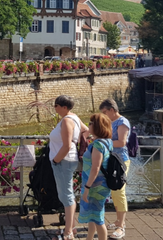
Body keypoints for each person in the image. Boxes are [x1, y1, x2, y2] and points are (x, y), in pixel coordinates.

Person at [49, 95, 87, 240]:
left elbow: (67, 145)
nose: (55, 108)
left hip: (63, 161)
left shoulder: (66, 121)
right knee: (67, 194)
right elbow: (86, 130)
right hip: (69, 160)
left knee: (66, 196)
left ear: (64, 107)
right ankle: (70, 227)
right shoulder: (74, 118)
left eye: (56, 105)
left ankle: (68, 233)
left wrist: (55, 160)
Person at [98, 99, 131, 239]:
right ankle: (118, 220)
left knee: (119, 191)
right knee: (113, 190)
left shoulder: (122, 122)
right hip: (111, 160)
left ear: (112, 109)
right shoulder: (110, 122)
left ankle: (121, 226)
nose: (104, 115)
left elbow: (122, 142)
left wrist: (103, 141)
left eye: (105, 112)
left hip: (120, 161)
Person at [78, 113, 113, 240]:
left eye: (91, 123)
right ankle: (89, 238)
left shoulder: (98, 145)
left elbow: (95, 168)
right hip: (99, 183)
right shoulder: (107, 142)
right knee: (93, 215)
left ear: (98, 126)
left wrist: (87, 188)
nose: (89, 125)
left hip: (95, 185)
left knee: (98, 218)